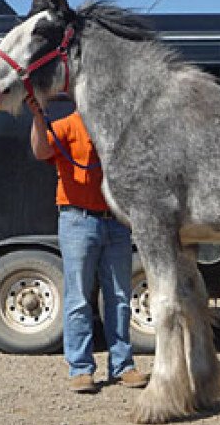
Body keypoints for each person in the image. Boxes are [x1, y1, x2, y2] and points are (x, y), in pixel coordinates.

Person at [31, 109, 148, 393]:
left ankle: (123, 365)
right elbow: (41, 151)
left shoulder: (115, 123)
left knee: (120, 297)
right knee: (78, 298)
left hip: (116, 221)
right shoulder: (68, 125)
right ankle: (81, 368)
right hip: (77, 220)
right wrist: (36, 116)